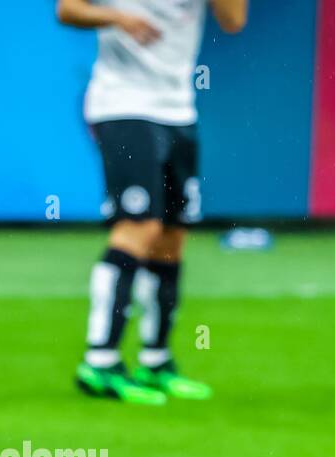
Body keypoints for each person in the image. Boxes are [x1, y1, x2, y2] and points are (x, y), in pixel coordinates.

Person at [57, 0, 247, 404]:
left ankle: (156, 361)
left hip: (178, 110)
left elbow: (234, 21)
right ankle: (100, 360)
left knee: (172, 237)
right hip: (122, 105)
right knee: (138, 227)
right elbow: (67, 9)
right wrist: (116, 17)